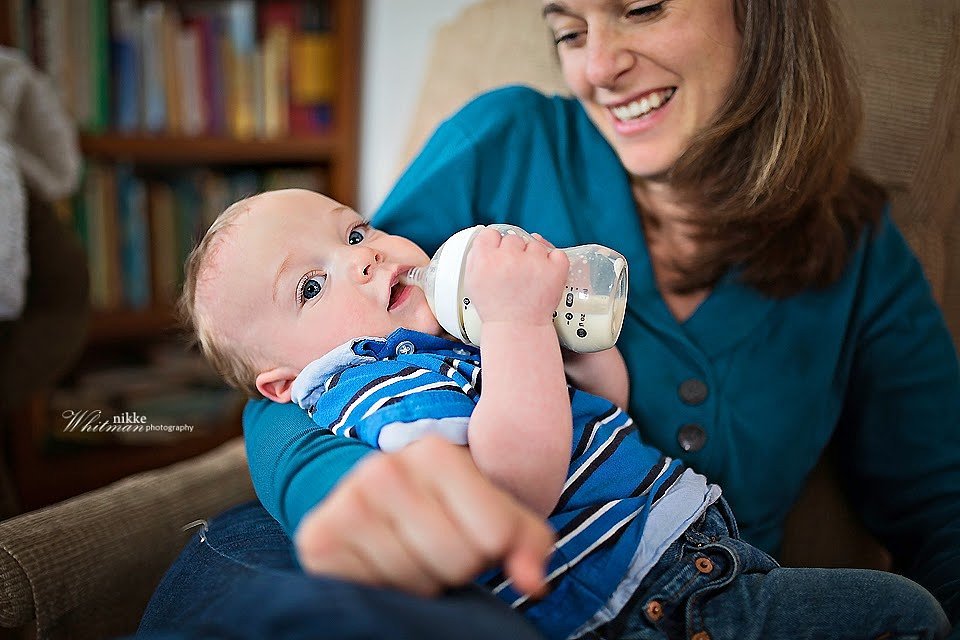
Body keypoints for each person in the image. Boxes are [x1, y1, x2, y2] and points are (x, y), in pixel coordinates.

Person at [140, 0, 960, 638]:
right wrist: (353, 494)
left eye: (642, 8)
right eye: (569, 31)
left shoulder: (858, 248)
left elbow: (942, 502)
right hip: (419, 581)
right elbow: (308, 367)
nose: (599, 66)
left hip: (695, 589)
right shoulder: (504, 140)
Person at [171, 187, 946, 639]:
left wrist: (551, 323)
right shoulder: (373, 386)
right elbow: (513, 486)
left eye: (353, 230)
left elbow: (596, 405)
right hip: (639, 603)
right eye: (309, 287)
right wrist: (512, 324)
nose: (363, 257)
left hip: (682, 567)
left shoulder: (446, 341)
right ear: (285, 385)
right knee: (905, 617)